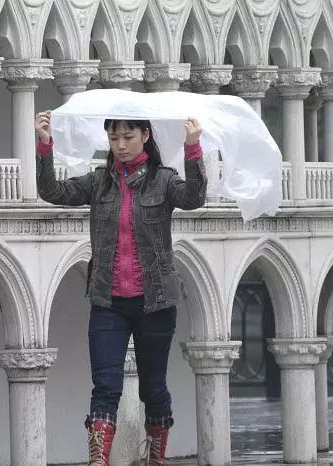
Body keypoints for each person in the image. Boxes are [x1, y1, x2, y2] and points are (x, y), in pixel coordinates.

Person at [34, 110, 206, 466]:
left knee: (153, 388)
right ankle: (100, 460)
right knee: (105, 387)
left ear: (145, 135)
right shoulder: (99, 182)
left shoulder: (164, 180)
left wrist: (193, 149)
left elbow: (194, 197)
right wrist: (45, 144)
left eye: (128, 136)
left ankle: (155, 458)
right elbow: (51, 191)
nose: (121, 145)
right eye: (114, 138)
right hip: (108, 300)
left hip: (155, 302)